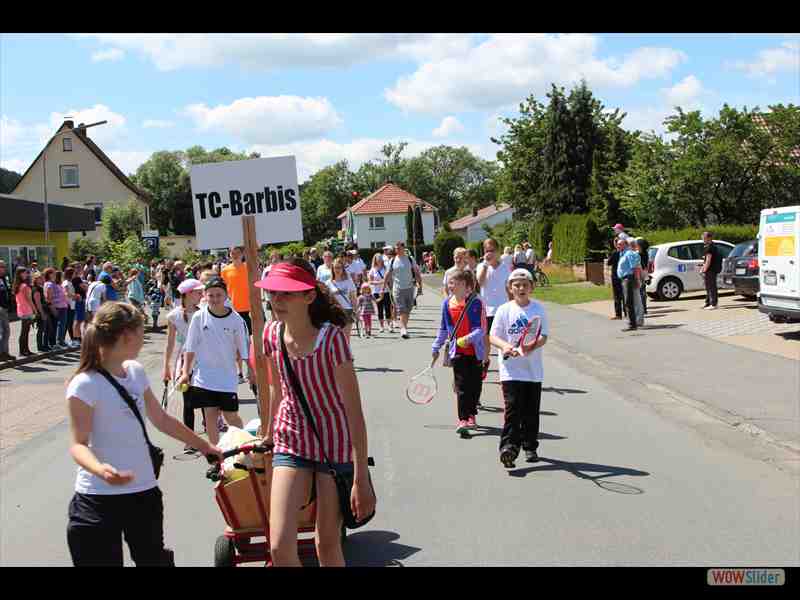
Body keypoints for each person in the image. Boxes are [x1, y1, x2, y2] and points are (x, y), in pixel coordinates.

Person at [65, 301, 222, 567]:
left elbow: (161, 419)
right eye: (141, 332)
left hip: (143, 493)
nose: (144, 337)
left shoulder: (135, 373)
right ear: (127, 336)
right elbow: (78, 445)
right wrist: (101, 469)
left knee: (153, 560)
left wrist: (205, 446)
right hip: (96, 499)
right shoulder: (85, 384)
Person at [253, 259, 375, 567]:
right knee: (280, 547)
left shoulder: (332, 339)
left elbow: (354, 412)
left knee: (327, 544)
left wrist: (361, 477)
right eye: (273, 293)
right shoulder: (271, 334)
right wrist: (267, 435)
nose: (276, 300)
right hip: (291, 438)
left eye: (286, 294)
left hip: (333, 442)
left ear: (308, 296)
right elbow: (277, 391)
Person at [489, 268, 549, 467]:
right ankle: (508, 448)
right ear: (510, 288)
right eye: (516, 285)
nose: (521, 288)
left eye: (525, 284)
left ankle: (530, 446)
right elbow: (493, 336)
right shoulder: (504, 310)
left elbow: (543, 336)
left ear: (531, 287)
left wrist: (531, 345)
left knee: (531, 411)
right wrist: (505, 346)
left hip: (533, 371)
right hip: (510, 370)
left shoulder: (538, 309)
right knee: (513, 410)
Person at [178, 277, 247, 446]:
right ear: (205, 296)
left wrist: (250, 371)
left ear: (226, 296)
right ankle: (217, 454)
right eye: (211, 295)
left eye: (219, 295)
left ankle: (244, 448)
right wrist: (185, 372)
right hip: (204, 377)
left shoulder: (236, 319)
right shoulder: (198, 317)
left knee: (231, 416)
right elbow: (190, 347)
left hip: (227, 377)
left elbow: (243, 349)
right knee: (210, 415)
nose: (215, 299)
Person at [431, 269, 487, 435]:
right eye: (449, 282)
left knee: (475, 386)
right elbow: (443, 328)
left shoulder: (476, 303)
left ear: (465, 286)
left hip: (475, 352)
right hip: (458, 352)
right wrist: (436, 346)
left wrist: (467, 339)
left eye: (453, 283)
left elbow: (481, 329)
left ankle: (472, 414)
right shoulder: (447, 304)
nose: (450, 286)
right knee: (461, 386)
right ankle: (463, 419)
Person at [163, 279, 206, 454]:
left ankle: (210, 430)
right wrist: (167, 366)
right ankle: (190, 438)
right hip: (184, 362)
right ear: (187, 294)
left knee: (205, 397)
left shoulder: (203, 312)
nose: (201, 295)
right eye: (197, 292)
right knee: (188, 400)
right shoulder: (174, 316)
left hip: (203, 360)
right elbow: (170, 343)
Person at [476, 238, 512, 380]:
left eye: (492, 250)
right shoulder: (481, 267)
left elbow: (509, 289)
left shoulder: (505, 268)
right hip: (487, 310)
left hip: (502, 310)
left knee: (502, 341)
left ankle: (505, 370)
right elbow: (480, 282)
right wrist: (485, 264)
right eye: (486, 251)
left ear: (498, 251)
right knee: (486, 341)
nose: (489, 253)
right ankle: (485, 362)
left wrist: (513, 306)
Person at [385, 241, 422, 340]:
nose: (397, 250)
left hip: (410, 288)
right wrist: (383, 286)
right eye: (396, 248)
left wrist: (420, 286)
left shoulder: (410, 259)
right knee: (401, 309)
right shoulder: (392, 261)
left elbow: (416, 272)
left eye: (399, 248)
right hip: (397, 289)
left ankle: (404, 327)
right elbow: (388, 274)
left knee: (408, 309)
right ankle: (403, 329)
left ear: (403, 248)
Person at [617, 239, 644, 331]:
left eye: (620, 244)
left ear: (626, 245)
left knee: (629, 302)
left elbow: (635, 268)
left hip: (629, 279)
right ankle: (632, 323)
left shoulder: (629, 254)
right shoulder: (623, 254)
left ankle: (632, 324)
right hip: (624, 279)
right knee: (628, 302)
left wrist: (637, 280)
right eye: (617, 244)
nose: (618, 245)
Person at [327, 257, 358, 339]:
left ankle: (346, 352)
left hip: (347, 311)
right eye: (335, 267)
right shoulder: (328, 283)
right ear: (332, 269)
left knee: (346, 338)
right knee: (335, 338)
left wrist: (356, 310)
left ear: (343, 269)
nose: (337, 270)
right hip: (334, 312)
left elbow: (353, 297)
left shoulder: (348, 281)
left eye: (339, 267)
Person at [13, 267, 35, 356]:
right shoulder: (24, 286)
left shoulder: (17, 285)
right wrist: (35, 310)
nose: (27, 274)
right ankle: (23, 351)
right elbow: (29, 299)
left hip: (21, 309)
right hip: (26, 310)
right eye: (25, 273)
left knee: (25, 331)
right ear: (20, 274)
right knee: (25, 331)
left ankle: (24, 350)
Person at [368, 253, 392, 333]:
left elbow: (389, 279)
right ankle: (381, 326)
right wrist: (379, 282)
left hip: (386, 291)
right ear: (375, 260)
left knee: (388, 308)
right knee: (380, 309)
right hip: (376, 292)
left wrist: (385, 282)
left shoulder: (386, 268)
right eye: (377, 259)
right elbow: (370, 281)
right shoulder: (372, 270)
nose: (379, 260)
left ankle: (389, 325)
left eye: (380, 259)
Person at [701, 231, 722, 310]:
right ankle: (708, 302)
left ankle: (714, 304)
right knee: (708, 286)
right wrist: (703, 268)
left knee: (712, 286)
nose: (703, 239)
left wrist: (704, 269)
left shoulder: (710, 247)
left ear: (709, 238)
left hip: (711, 270)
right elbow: (705, 259)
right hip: (709, 269)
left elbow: (708, 260)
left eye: (704, 238)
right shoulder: (708, 246)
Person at [607, 238, 626, 320]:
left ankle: (618, 314)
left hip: (616, 276)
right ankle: (626, 313)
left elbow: (608, 263)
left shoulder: (615, 253)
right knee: (624, 295)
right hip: (623, 276)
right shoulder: (626, 253)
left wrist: (610, 256)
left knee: (617, 296)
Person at [61, 268, 80, 348]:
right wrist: (75, 296)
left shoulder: (70, 282)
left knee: (70, 323)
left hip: (72, 304)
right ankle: (63, 340)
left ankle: (72, 340)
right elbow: (66, 293)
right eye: (74, 273)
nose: (75, 275)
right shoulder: (66, 282)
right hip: (68, 304)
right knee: (68, 323)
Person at [0, 260, 14, 361]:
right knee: (3, 331)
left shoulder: (5, 278)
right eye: (2, 267)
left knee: (6, 331)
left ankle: (5, 352)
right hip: (0, 308)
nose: (3, 268)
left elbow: (7, 291)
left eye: (4, 266)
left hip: (5, 307)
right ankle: (2, 353)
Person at [71, 266, 87, 345]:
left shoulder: (76, 278)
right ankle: (76, 338)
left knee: (79, 320)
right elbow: (84, 287)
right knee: (78, 320)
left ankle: (78, 338)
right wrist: (86, 285)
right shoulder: (77, 279)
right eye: (78, 268)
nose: (80, 269)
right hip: (79, 300)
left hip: (79, 300)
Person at [635, 238, 649, 315]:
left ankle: (642, 309)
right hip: (644, 273)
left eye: (637, 244)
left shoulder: (638, 254)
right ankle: (644, 308)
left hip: (640, 274)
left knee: (640, 292)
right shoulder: (646, 253)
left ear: (640, 246)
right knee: (643, 292)